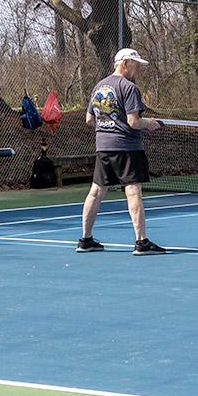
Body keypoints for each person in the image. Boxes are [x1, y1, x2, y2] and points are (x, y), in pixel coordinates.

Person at [78, 47, 167, 254]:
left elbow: (90, 119)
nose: (137, 70)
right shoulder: (129, 88)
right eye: (135, 65)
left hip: (104, 147)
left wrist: (108, 127)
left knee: (96, 192)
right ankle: (141, 242)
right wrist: (151, 123)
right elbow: (134, 122)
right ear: (125, 63)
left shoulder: (99, 87)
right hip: (127, 148)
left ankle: (85, 239)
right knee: (133, 191)